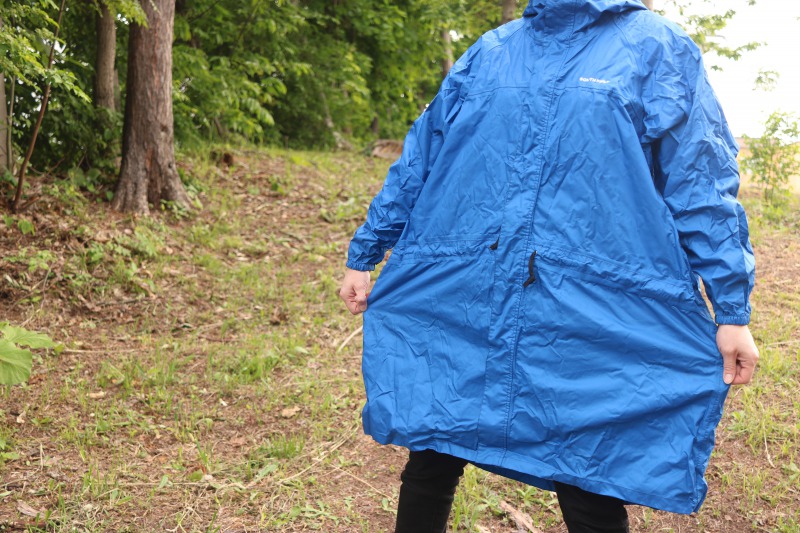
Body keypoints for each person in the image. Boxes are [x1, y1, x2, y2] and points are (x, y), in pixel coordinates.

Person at [339, 0, 759, 531]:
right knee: (433, 442)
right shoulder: (492, 52)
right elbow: (421, 158)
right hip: (469, 292)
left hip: (585, 306)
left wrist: (732, 309)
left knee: (585, 469)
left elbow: (700, 184)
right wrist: (367, 250)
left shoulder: (656, 48)